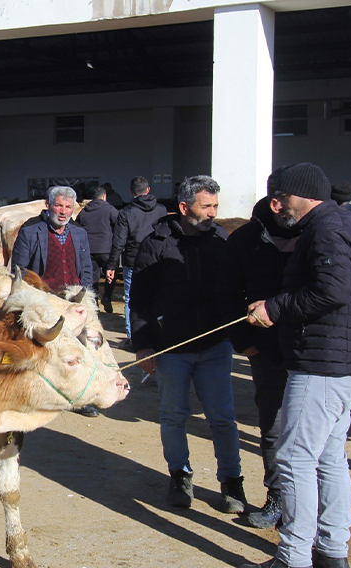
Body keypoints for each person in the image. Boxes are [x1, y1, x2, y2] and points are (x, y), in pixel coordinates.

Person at [241, 163, 351, 568]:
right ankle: (332, 551)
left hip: (325, 363)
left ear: (299, 194)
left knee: (295, 458)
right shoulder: (340, 222)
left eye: (278, 197)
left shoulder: (326, 229)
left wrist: (274, 307)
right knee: (329, 455)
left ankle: (294, 556)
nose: (275, 205)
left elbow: (333, 290)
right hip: (345, 361)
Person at [130, 175, 245, 513]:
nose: (213, 213)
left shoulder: (221, 241)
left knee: (222, 418)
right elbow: (140, 299)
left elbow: (235, 290)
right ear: (185, 207)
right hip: (172, 349)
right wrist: (143, 345)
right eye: (206, 206)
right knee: (173, 416)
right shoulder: (155, 244)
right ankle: (179, 476)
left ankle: (232, 480)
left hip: (215, 347)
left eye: (215, 206)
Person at [228, 169, 305, 530]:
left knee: (313, 432)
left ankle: (309, 504)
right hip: (267, 349)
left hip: (313, 349)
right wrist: (245, 343)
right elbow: (227, 293)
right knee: (272, 426)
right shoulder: (246, 238)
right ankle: (277, 496)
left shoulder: (315, 231)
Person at [108, 176, 168, 346]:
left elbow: (119, 241)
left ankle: (132, 336)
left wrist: (112, 265)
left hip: (134, 260)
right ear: (148, 190)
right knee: (158, 295)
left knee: (131, 297)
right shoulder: (161, 210)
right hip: (158, 260)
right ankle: (158, 331)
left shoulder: (126, 213)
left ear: (131, 192)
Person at [10, 185, 95, 293]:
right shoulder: (29, 233)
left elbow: (86, 269)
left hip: (73, 298)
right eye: (58, 205)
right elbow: (18, 270)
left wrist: (84, 293)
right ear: (48, 205)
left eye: (68, 207)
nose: (63, 211)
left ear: (73, 209)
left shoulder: (80, 234)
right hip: (43, 298)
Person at [76, 184, 119, 313]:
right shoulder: (111, 210)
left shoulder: (83, 212)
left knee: (92, 277)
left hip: (89, 249)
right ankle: (107, 296)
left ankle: (94, 302)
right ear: (104, 197)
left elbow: (77, 228)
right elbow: (119, 226)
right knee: (111, 274)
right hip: (107, 249)